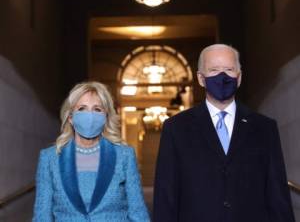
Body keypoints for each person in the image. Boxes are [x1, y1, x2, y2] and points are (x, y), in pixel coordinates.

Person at [153, 44, 295, 222]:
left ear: (239, 76)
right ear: (200, 78)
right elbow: (166, 196)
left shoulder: (264, 128)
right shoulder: (176, 128)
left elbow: (277, 195)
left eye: (229, 69)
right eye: (213, 70)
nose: (222, 76)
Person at [32, 81, 150, 222]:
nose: (90, 115)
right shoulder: (50, 158)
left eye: (97, 109)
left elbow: (138, 213)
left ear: (106, 116)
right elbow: (42, 217)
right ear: (70, 117)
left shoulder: (124, 156)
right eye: (82, 108)